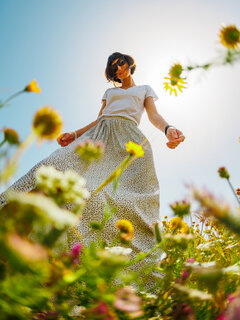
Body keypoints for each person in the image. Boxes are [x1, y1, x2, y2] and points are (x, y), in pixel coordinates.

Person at [0, 51, 185, 291]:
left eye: (120, 63)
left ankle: (96, 268)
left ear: (129, 64)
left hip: (129, 141)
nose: (118, 68)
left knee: (109, 198)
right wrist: (76, 134)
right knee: (54, 168)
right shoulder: (110, 93)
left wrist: (168, 129)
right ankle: (12, 228)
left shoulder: (145, 90)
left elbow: (154, 116)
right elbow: (99, 119)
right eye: (113, 66)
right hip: (99, 137)